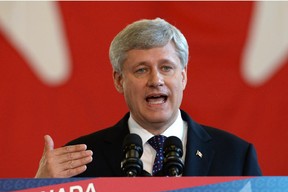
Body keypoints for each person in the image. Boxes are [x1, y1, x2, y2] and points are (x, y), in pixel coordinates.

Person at [35, 18, 262, 178]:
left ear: (183, 77)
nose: (156, 80)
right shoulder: (81, 160)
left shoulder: (235, 155)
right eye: (141, 70)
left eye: (166, 68)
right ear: (119, 80)